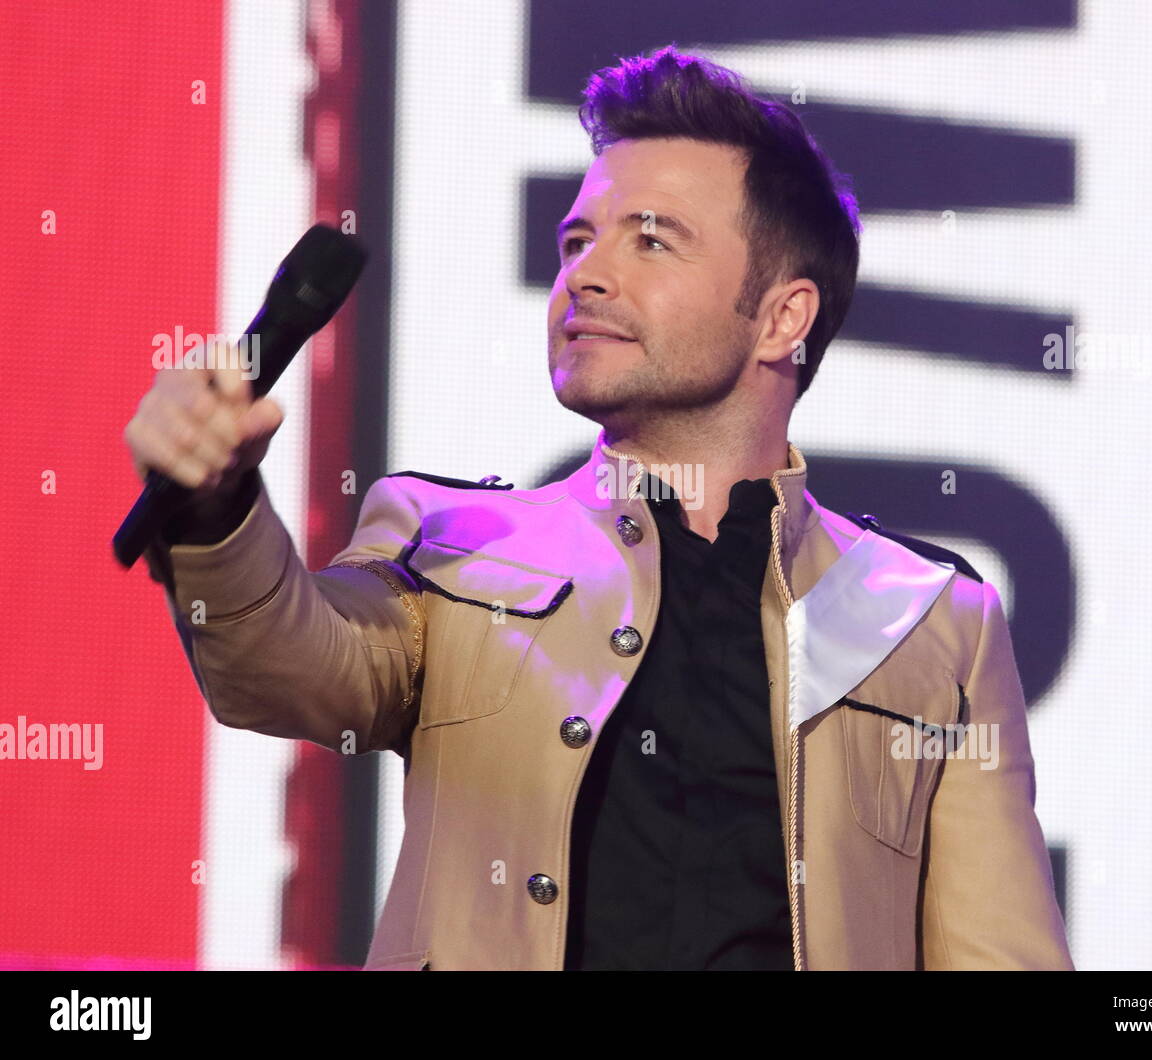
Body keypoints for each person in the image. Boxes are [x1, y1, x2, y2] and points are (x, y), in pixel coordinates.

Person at [124, 45, 1072, 971]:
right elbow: (282, 669)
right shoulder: (448, 542)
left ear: (783, 318)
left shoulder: (932, 622)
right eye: (577, 240)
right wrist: (215, 506)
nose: (584, 274)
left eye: (650, 239)